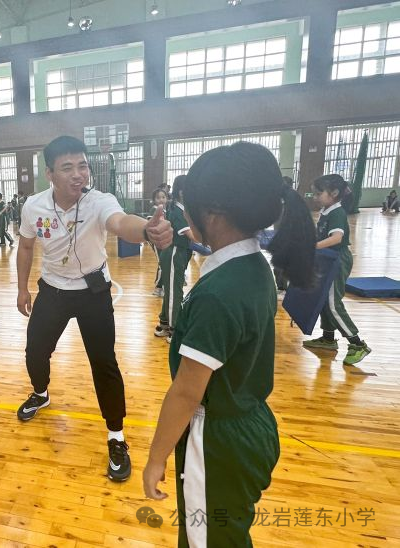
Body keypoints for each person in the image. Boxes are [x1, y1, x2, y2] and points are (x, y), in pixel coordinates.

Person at [142, 141, 316, 547]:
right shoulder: (254, 266)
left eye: (188, 205)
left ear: (214, 214)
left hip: (216, 443)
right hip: (249, 423)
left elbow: (186, 392)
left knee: (208, 541)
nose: (183, 214)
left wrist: (155, 458)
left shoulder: (218, 292)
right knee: (227, 533)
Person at [16, 135, 173, 482]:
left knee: (104, 364)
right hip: (52, 291)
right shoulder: (34, 207)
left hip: (93, 293)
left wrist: (146, 230)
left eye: (82, 166)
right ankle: (40, 393)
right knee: (35, 352)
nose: (78, 174)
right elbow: (26, 247)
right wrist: (21, 288)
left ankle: (116, 436)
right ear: (50, 174)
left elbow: (120, 223)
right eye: (67, 167)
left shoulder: (100, 201)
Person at [303, 174, 371, 365]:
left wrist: (312, 247)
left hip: (337, 262)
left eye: (318, 193)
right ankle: (328, 338)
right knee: (324, 298)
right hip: (328, 259)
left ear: (333, 193)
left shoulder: (337, 213)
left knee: (333, 303)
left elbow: (336, 238)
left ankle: (357, 344)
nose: (315, 197)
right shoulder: (327, 210)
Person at [155, 176, 199, 342]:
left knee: (172, 289)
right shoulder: (178, 212)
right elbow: (192, 236)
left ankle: (164, 324)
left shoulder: (181, 210)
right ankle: (174, 329)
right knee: (175, 291)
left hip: (178, 253)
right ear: (181, 192)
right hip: (174, 253)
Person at [149, 188, 169, 298]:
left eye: (163, 197)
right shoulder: (154, 210)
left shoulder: (166, 211)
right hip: (156, 241)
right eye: (158, 198)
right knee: (162, 263)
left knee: (164, 262)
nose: (161, 199)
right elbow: (150, 224)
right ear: (154, 200)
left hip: (164, 240)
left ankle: (162, 286)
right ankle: (158, 287)